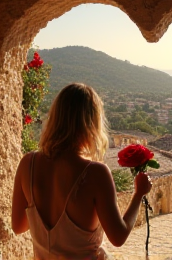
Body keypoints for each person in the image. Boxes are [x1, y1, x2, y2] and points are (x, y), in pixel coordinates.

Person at [12, 83, 152, 260]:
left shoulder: (28, 164)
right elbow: (118, 236)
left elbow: (18, 226)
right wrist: (139, 194)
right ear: (91, 123)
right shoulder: (95, 173)